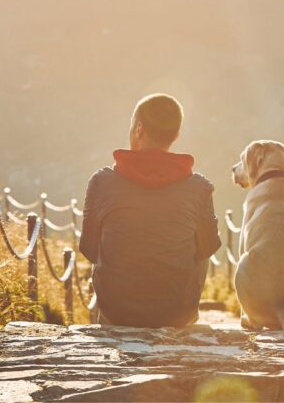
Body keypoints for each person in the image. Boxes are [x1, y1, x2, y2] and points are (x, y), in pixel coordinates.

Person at [79, 93, 221, 327]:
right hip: (176, 314)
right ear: (176, 135)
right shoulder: (199, 188)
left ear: (139, 129)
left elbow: (89, 249)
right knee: (201, 243)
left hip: (117, 315)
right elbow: (208, 248)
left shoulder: (102, 183)